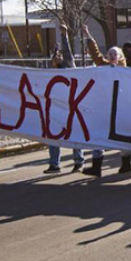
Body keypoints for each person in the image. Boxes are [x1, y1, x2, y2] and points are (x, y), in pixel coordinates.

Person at [81, 25, 131, 176]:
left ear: (120, 57)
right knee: (99, 135)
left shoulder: (126, 72)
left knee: (121, 137)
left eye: (115, 54)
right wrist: (88, 35)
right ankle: (96, 167)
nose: (111, 56)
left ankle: (126, 163)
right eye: (109, 54)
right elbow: (95, 54)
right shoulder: (103, 66)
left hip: (120, 110)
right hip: (104, 108)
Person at [44, 25, 85, 173]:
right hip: (56, 109)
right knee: (53, 136)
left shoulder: (68, 67)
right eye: (55, 56)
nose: (57, 58)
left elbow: (68, 54)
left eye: (59, 55)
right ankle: (54, 164)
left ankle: (79, 161)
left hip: (72, 107)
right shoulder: (49, 74)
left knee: (74, 135)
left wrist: (63, 35)